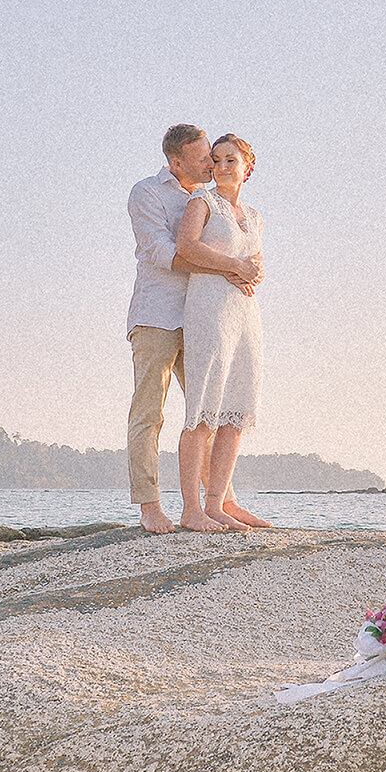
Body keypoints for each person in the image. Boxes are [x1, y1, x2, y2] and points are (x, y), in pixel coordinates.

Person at [125, 124, 262, 533]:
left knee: (212, 409)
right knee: (150, 411)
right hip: (159, 314)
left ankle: (223, 501)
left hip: (206, 317)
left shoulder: (212, 198)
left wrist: (245, 268)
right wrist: (234, 268)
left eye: (215, 156)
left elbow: (244, 251)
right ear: (176, 161)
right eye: (204, 157)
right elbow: (165, 254)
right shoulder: (147, 193)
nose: (211, 163)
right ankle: (150, 505)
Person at [175, 133, 272, 532]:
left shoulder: (254, 216)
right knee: (203, 410)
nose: (222, 167)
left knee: (236, 409)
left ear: (248, 167)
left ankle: (219, 504)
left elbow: (256, 265)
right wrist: (234, 266)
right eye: (216, 160)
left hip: (245, 315)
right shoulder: (203, 203)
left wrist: (254, 271)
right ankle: (191, 508)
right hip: (209, 311)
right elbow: (185, 249)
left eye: (231, 160)